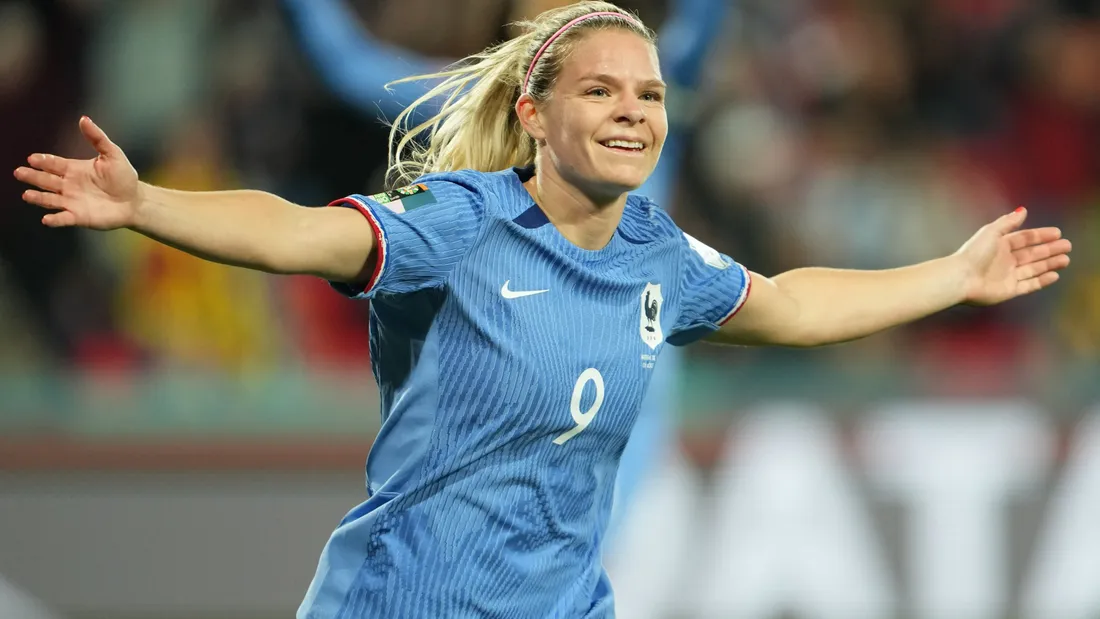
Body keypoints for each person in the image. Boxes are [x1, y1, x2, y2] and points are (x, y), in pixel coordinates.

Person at [13, 2, 1071, 617]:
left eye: (649, 94)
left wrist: (953, 274)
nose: (631, 112)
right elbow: (298, 234)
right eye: (600, 91)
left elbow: (790, 305)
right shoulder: (459, 223)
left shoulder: (659, 254)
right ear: (531, 112)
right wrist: (146, 205)